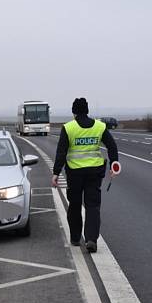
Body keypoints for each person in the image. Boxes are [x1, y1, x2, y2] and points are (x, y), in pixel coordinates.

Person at [51, 97, 119, 253]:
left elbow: (61, 152)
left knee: (74, 206)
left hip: (74, 173)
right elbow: (112, 146)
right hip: (94, 173)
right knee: (93, 206)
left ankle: (75, 238)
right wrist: (114, 164)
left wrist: (56, 173)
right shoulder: (100, 127)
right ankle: (91, 239)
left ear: (74, 112)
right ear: (87, 110)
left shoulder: (68, 128)